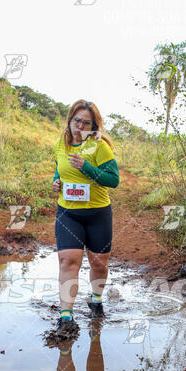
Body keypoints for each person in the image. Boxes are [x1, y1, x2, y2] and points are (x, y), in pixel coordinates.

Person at [52, 99, 119, 335]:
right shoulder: (61, 143)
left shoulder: (99, 147)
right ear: (70, 119)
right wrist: (56, 181)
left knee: (99, 264)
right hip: (68, 213)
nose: (79, 126)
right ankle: (66, 316)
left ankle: (96, 298)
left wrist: (86, 167)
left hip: (97, 214)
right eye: (76, 120)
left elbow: (113, 180)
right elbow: (60, 168)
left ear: (93, 126)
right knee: (68, 262)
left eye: (85, 122)